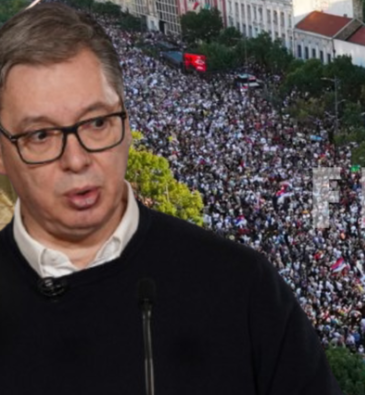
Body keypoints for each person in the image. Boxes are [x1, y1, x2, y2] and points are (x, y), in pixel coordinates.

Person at [0, 4, 342, 394]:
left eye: (97, 123)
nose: (76, 159)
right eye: (40, 135)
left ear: (128, 122)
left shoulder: (243, 288)